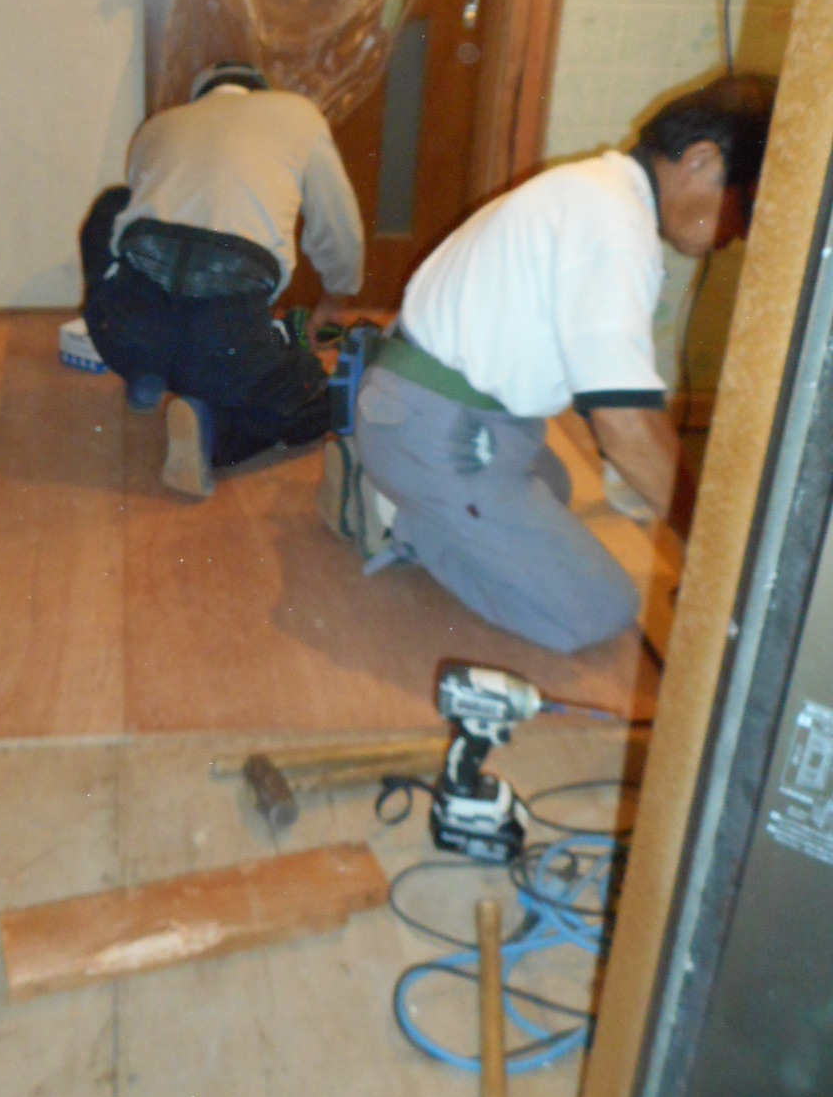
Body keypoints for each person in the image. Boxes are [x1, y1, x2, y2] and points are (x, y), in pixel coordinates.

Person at [323, 74, 775, 654]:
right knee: (601, 611)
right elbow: (626, 423)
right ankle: (397, 520)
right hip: (434, 428)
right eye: (747, 205)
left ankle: (410, 494)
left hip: (425, 407)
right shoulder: (614, 231)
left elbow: (602, 386)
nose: (742, 233)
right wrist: (714, 547)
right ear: (701, 161)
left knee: (553, 486)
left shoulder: (594, 190)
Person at [80, 61, 364, 498]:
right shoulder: (298, 115)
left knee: (114, 205)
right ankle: (212, 424)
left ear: (200, 98)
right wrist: (335, 298)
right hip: (225, 343)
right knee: (315, 401)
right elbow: (338, 226)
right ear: (261, 92)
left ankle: (146, 375)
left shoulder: (157, 127)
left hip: (126, 331)